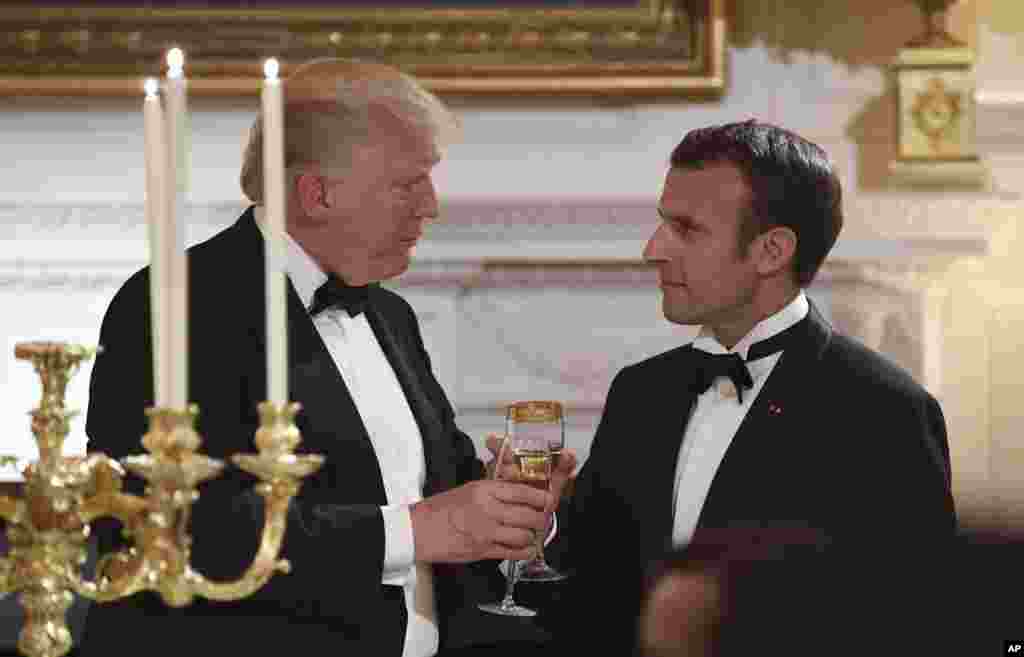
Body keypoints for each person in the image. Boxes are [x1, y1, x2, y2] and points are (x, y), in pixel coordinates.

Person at [81, 58, 573, 657]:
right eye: (407, 183)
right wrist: (417, 531)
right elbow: (167, 527)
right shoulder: (172, 303)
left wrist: (511, 510)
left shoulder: (391, 316)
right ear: (316, 193)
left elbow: (436, 492)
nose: (431, 206)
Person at [540, 120, 957, 654]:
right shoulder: (640, 392)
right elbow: (591, 592)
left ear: (772, 251)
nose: (653, 249)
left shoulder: (886, 410)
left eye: (686, 230)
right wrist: (541, 531)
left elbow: (920, 623)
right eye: (662, 223)